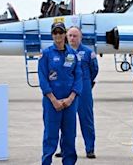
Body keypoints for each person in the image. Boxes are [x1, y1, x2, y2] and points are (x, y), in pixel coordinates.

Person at [38, 22, 82, 165]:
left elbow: (78, 77)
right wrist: (53, 100)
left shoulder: (73, 55)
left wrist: (70, 98)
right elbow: (43, 79)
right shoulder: (46, 54)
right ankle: (46, 162)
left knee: (69, 136)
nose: (58, 35)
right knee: (50, 136)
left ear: (65, 34)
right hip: (52, 103)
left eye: (60, 32)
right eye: (55, 33)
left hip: (69, 102)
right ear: (52, 35)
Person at [55, 26, 99, 159]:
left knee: (86, 119)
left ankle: (90, 148)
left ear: (80, 38)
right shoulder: (63, 52)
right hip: (68, 88)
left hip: (84, 88)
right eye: (70, 36)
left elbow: (94, 70)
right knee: (67, 121)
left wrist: (86, 83)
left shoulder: (88, 53)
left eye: (75, 36)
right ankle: (65, 149)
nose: (72, 38)